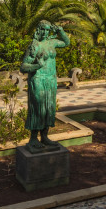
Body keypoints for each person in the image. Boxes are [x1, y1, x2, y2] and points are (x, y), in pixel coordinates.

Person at [20, 20, 69, 152]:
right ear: (38, 30)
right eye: (43, 29)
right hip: (38, 79)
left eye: (48, 30)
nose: (46, 32)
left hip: (51, 79)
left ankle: (45, 136)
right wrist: (37, 66)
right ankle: (33, 139)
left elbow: (66, 43)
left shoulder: (52, 42)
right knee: (38, 109)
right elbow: (23, 67)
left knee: (49, 108)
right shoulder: (34, 46)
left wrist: (60, 31)